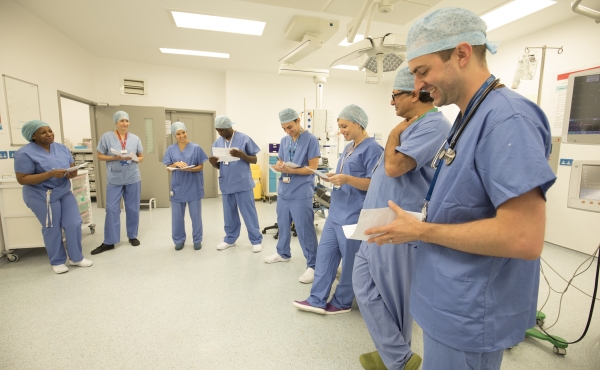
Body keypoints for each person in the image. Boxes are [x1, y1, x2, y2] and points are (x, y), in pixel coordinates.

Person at [366, 8, 557, 370]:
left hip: (470, 310)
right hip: (448, 303)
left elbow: (523, 237)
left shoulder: (508, 120)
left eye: (422, 71)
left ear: (462, 54)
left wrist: (422, 230)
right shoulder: (469, 118)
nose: (418, 86)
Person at [352, 68, 450, 370]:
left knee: (392, 297)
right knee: (363, 285)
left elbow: (394, 167)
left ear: (414, 94)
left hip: (397, 220)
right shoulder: (413, 125)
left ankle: (396, 360)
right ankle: (399, 357)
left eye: (395, 95)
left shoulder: (433, 124)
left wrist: (394, 132)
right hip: (375, 217)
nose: (392, 102)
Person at [293, 104, 382, 314]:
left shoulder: (373, 149)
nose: (340, 131)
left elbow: (374, 183)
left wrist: (347, 179)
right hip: (336, 211)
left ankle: (342, 302)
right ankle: (316, 299)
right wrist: (334, 177)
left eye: (344, 126)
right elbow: (345, 173)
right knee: (325, 257)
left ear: (359, 124)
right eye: (339, 126)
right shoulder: (350, 147)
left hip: (354, 214)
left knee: (350, 261)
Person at [14, 120, 93, 274]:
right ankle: (57, 261)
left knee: (74, 222)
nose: (49, 134)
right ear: (33, 136)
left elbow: (71, 168)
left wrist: (72, 173)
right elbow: (22, 179)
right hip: (41, 195)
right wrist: (49, 174)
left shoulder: (61, 148)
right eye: (43, 132)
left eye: (50, 130)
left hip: (63, 191)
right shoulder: (24, 153)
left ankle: (76, 258)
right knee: (52, 227)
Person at [265, 108, 320, 284]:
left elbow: (313, 167)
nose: (288, 131)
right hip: (284, 190)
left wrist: (289, 169)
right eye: (284, 128)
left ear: (298, 120)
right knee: (283, 224)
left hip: (301, 191)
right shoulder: (284, 140)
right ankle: (282, 253)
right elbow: (281, 161)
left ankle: (313, 265)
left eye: (290, 127)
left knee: (304, 229)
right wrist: (280, 167)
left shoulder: (311, 140)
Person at [208, 115, 263, 253]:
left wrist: (242, 155)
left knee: (249, 213)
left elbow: (254, 159)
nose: (220, 133)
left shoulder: (244, 138)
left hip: (242, 183)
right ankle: (230, 239)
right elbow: (220, 166)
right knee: (229, 214)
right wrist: (214, 163)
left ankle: (256, 240)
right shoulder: (217, 143)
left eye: (222, 130)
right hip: (226, 183)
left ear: (229, 127)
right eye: (218, 130)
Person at [92, 110, 144, 255]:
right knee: (112, 209)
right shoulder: (107, 137)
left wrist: (133, 158)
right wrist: (115, 158)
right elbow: (100, 156)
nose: (125, 123)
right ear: (116, 122)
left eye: (127, 121)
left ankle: (132, 236)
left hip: (133, 177)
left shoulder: (135, 138)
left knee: (133, 208)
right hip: (114, 179)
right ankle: (109, 241)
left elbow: (141, 157)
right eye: (122, 121)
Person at [163, 122, 208, 251]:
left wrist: (189, 169)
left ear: (186, 132)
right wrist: (175, 164)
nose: (182, 135)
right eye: (178, 133)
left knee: (196, 216)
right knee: (177, 216)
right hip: (178, 187)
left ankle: (197, 239)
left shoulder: (196, 148)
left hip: (193, 186)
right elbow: (168, 168)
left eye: (183, 132)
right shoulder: (171, 149)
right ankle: (178, 240)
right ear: (174, 135)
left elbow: (201, 166)